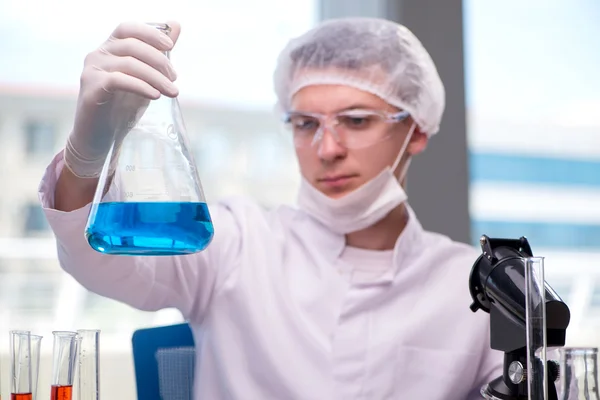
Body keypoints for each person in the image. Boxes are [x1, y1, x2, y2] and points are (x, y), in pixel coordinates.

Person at [39, 17, 502, 399]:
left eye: (356, 121)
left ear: (416, 130)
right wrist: (88, 156)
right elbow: (95, 258)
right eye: (305, 124)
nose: (327, 148)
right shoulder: (238, 242)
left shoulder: (477, 289)